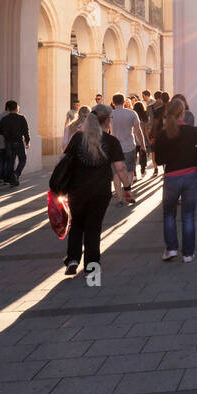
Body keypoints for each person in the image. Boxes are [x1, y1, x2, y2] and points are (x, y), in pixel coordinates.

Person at [61, 105, 131, 276]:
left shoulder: (78, 138)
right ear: (107, 120)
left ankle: (72, 259)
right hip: (100, 191)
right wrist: (127, 188)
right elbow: (120, 168)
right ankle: (92, 264)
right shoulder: (111, 141)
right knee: (93, 227)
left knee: (76, 224)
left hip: (76, 190)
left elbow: (64, 160)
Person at [153, 98, 197, 262]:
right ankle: (188, 253)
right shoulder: (193, 131)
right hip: (191, 176)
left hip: (171, 178)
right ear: (183, 113)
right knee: (188, 215)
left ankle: (171, 249)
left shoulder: (163, 134)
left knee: (169, 214)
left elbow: (160, 160)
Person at [109, 94, 148, 198]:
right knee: (129, 170)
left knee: (116, 173)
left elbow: (106, 132)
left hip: (114, 148)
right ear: (124, 101)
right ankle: (127, 189)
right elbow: (138, 131)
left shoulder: (110, 114)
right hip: (129, 146)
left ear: (113, 103)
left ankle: (119, 198)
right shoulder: (132, 113)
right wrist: (143, 145)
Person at [0, 100, 30, 186]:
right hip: (19, 141)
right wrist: (27, 141)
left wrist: (7, 135)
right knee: (23, 159)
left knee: (10, 161)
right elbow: (26, 131)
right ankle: (16, 174)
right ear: (16, 108)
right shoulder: (21, 118)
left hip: (8, 143)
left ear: (8, 109)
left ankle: (11, 179)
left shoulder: (4, 119)